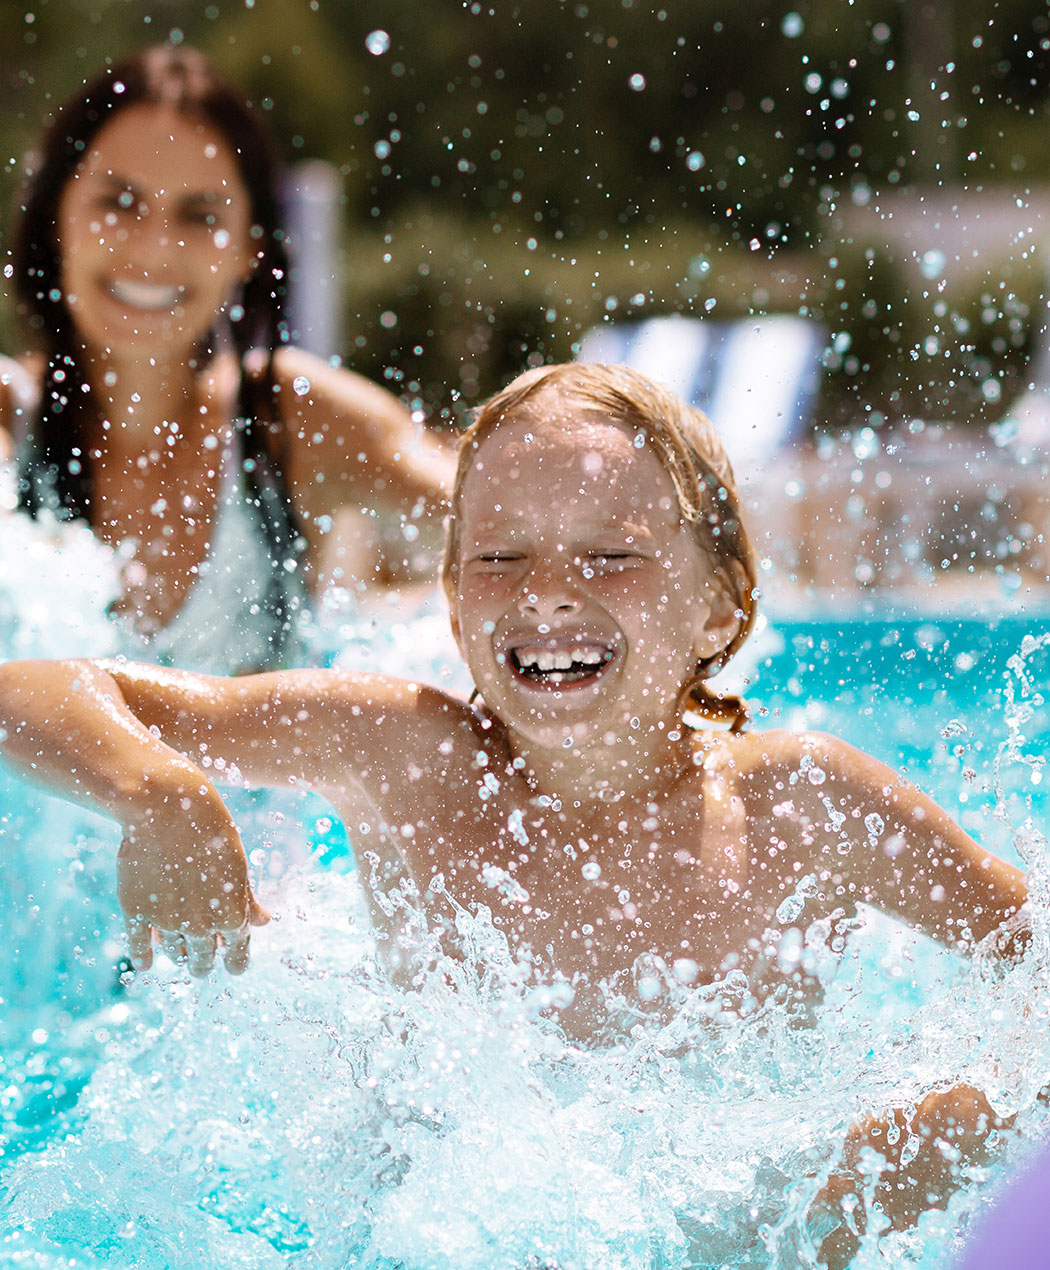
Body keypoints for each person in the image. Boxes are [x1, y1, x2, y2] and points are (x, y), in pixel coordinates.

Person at [0, 362, 1032, 1262]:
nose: (547, 591)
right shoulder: (405, 758)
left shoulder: (803, 805)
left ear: (718, 604)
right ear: (452, 601)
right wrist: (160, 792)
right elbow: (35, 685)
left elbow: (1028, 953)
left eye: (611, 554)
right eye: (498, 555)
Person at [0, 44, 453, 673]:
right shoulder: (6, 422)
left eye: (199, 215)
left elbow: (507, 509)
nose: (154, 249)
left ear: (249, 248)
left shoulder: (288, 418)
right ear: (56, 215)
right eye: (119, 202)